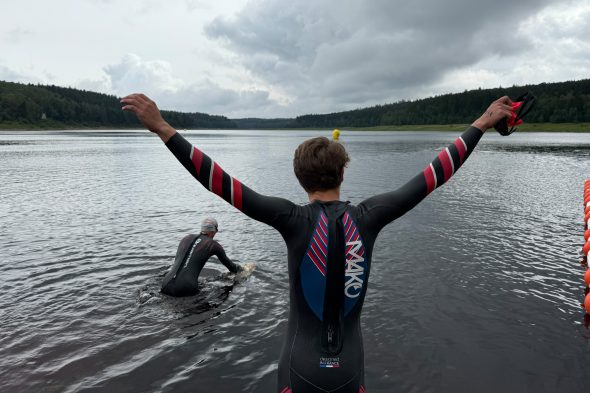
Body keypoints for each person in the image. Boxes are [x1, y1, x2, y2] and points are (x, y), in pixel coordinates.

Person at [121, 93, 514, 392]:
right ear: (343, 170)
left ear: (298, 176)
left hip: (299, 367)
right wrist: (481, 121)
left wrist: (162, 127)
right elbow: (436, 173)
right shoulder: (371, 215)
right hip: (350, 369)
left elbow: (219, 182)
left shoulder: (291, 219)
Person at [161, 217, 242, 297]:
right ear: (213, 231)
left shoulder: (185, 238)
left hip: (166, 283)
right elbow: (232, 268)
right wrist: (243, 269)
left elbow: (178, 263)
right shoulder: (213, 245)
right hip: (187, 287)